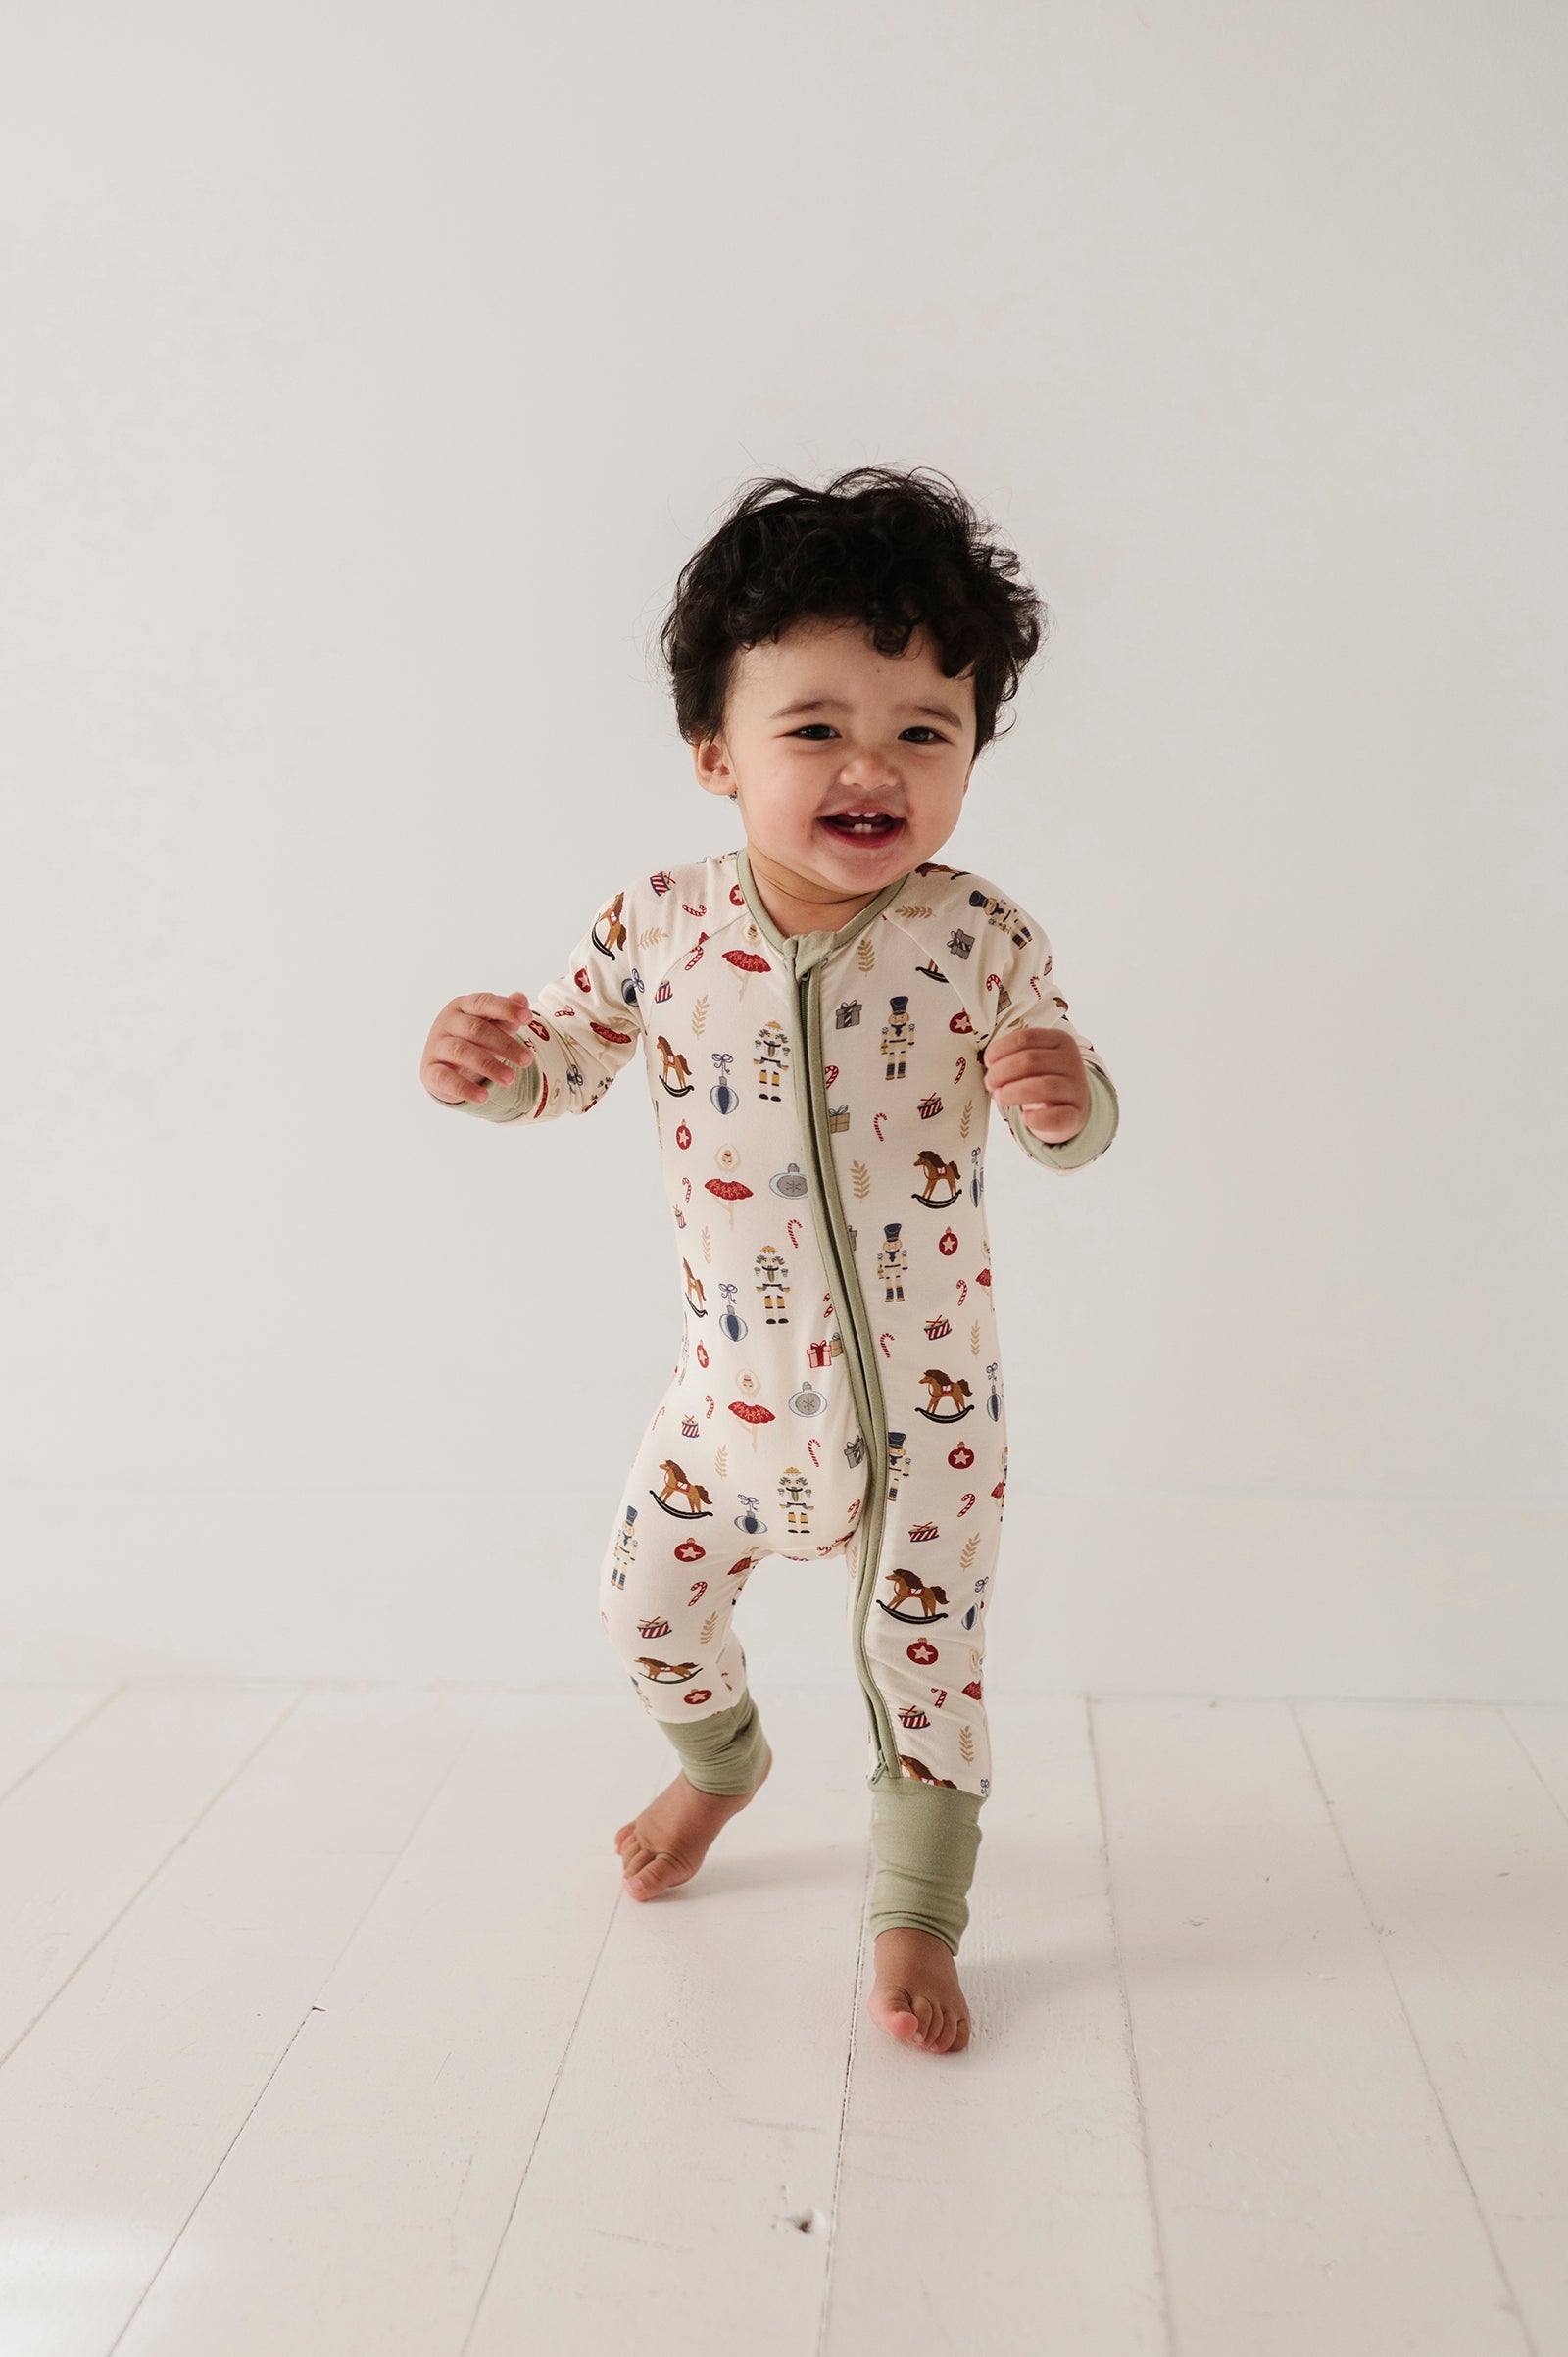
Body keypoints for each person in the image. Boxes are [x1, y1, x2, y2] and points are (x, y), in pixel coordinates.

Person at [420, 466, 1119, 2056]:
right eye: (816, 727)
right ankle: (721, 1765)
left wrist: (1068, 1100)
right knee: (641, 1612)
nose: (874, 766)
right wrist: (491, 1067)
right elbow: (565, 1060)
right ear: (715, 750)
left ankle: (915, 1912)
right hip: (726, 1402)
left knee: (920, 1665)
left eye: (925, 730)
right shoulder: (657, 926)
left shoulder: (979, 939)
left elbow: (1067, 1105)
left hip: (928, 1419)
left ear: (971, 753)